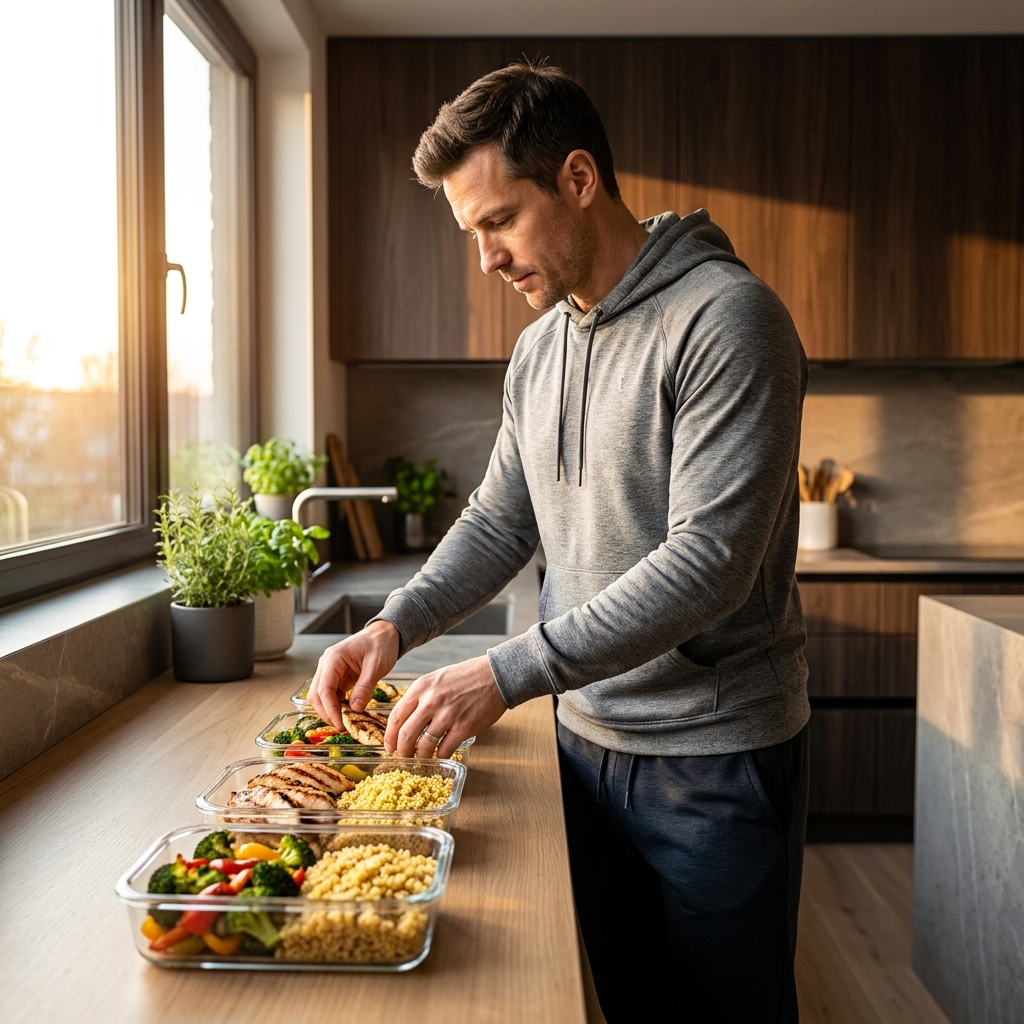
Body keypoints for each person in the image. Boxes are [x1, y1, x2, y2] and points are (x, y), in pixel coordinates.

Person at [309, 61, 810, 1023]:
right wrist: (393, 627)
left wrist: (504, 672)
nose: (487, 258)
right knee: (625, 1002)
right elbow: (503, 517)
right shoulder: (542, 345)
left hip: (711, 761)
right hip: (583, 745)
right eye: (471, 233)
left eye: (499, 221)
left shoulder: (727, 320)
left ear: (578, 179)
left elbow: (709, 562)